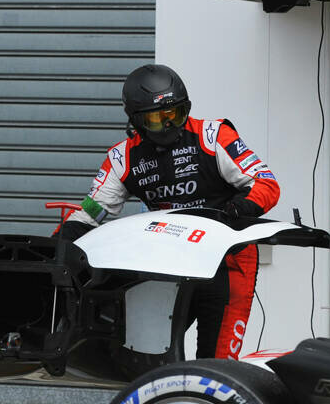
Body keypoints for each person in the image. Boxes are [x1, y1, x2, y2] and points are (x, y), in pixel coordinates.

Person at [58, 63, 280, 360]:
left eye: (174, 114)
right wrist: (58, 247)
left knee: (217, 363)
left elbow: (267, 184)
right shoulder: (122, 158)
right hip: (169, 262)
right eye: (156, 118)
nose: (168, 124)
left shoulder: (213, 137)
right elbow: (89, 213)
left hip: (229, 262)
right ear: (135, 120)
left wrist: (240, 208)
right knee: (145, 354)